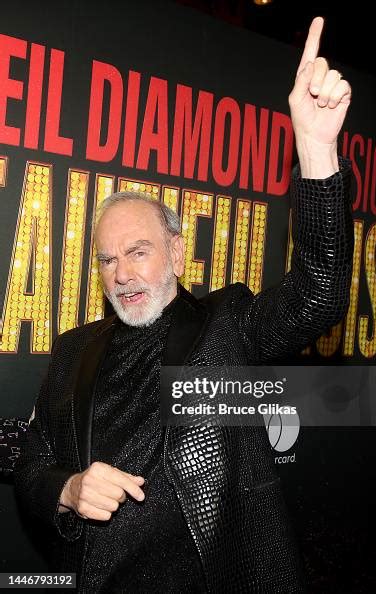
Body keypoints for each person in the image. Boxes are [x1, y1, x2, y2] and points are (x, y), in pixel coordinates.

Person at [13, 16, 353, 593]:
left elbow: (320, 288)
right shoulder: (74, 353)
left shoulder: (226, 327)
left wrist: (316, 151)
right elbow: (32, 463)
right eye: (106, 259)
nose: (121, 273)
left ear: (174, 251)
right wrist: (67, 490)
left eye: (137, 251)